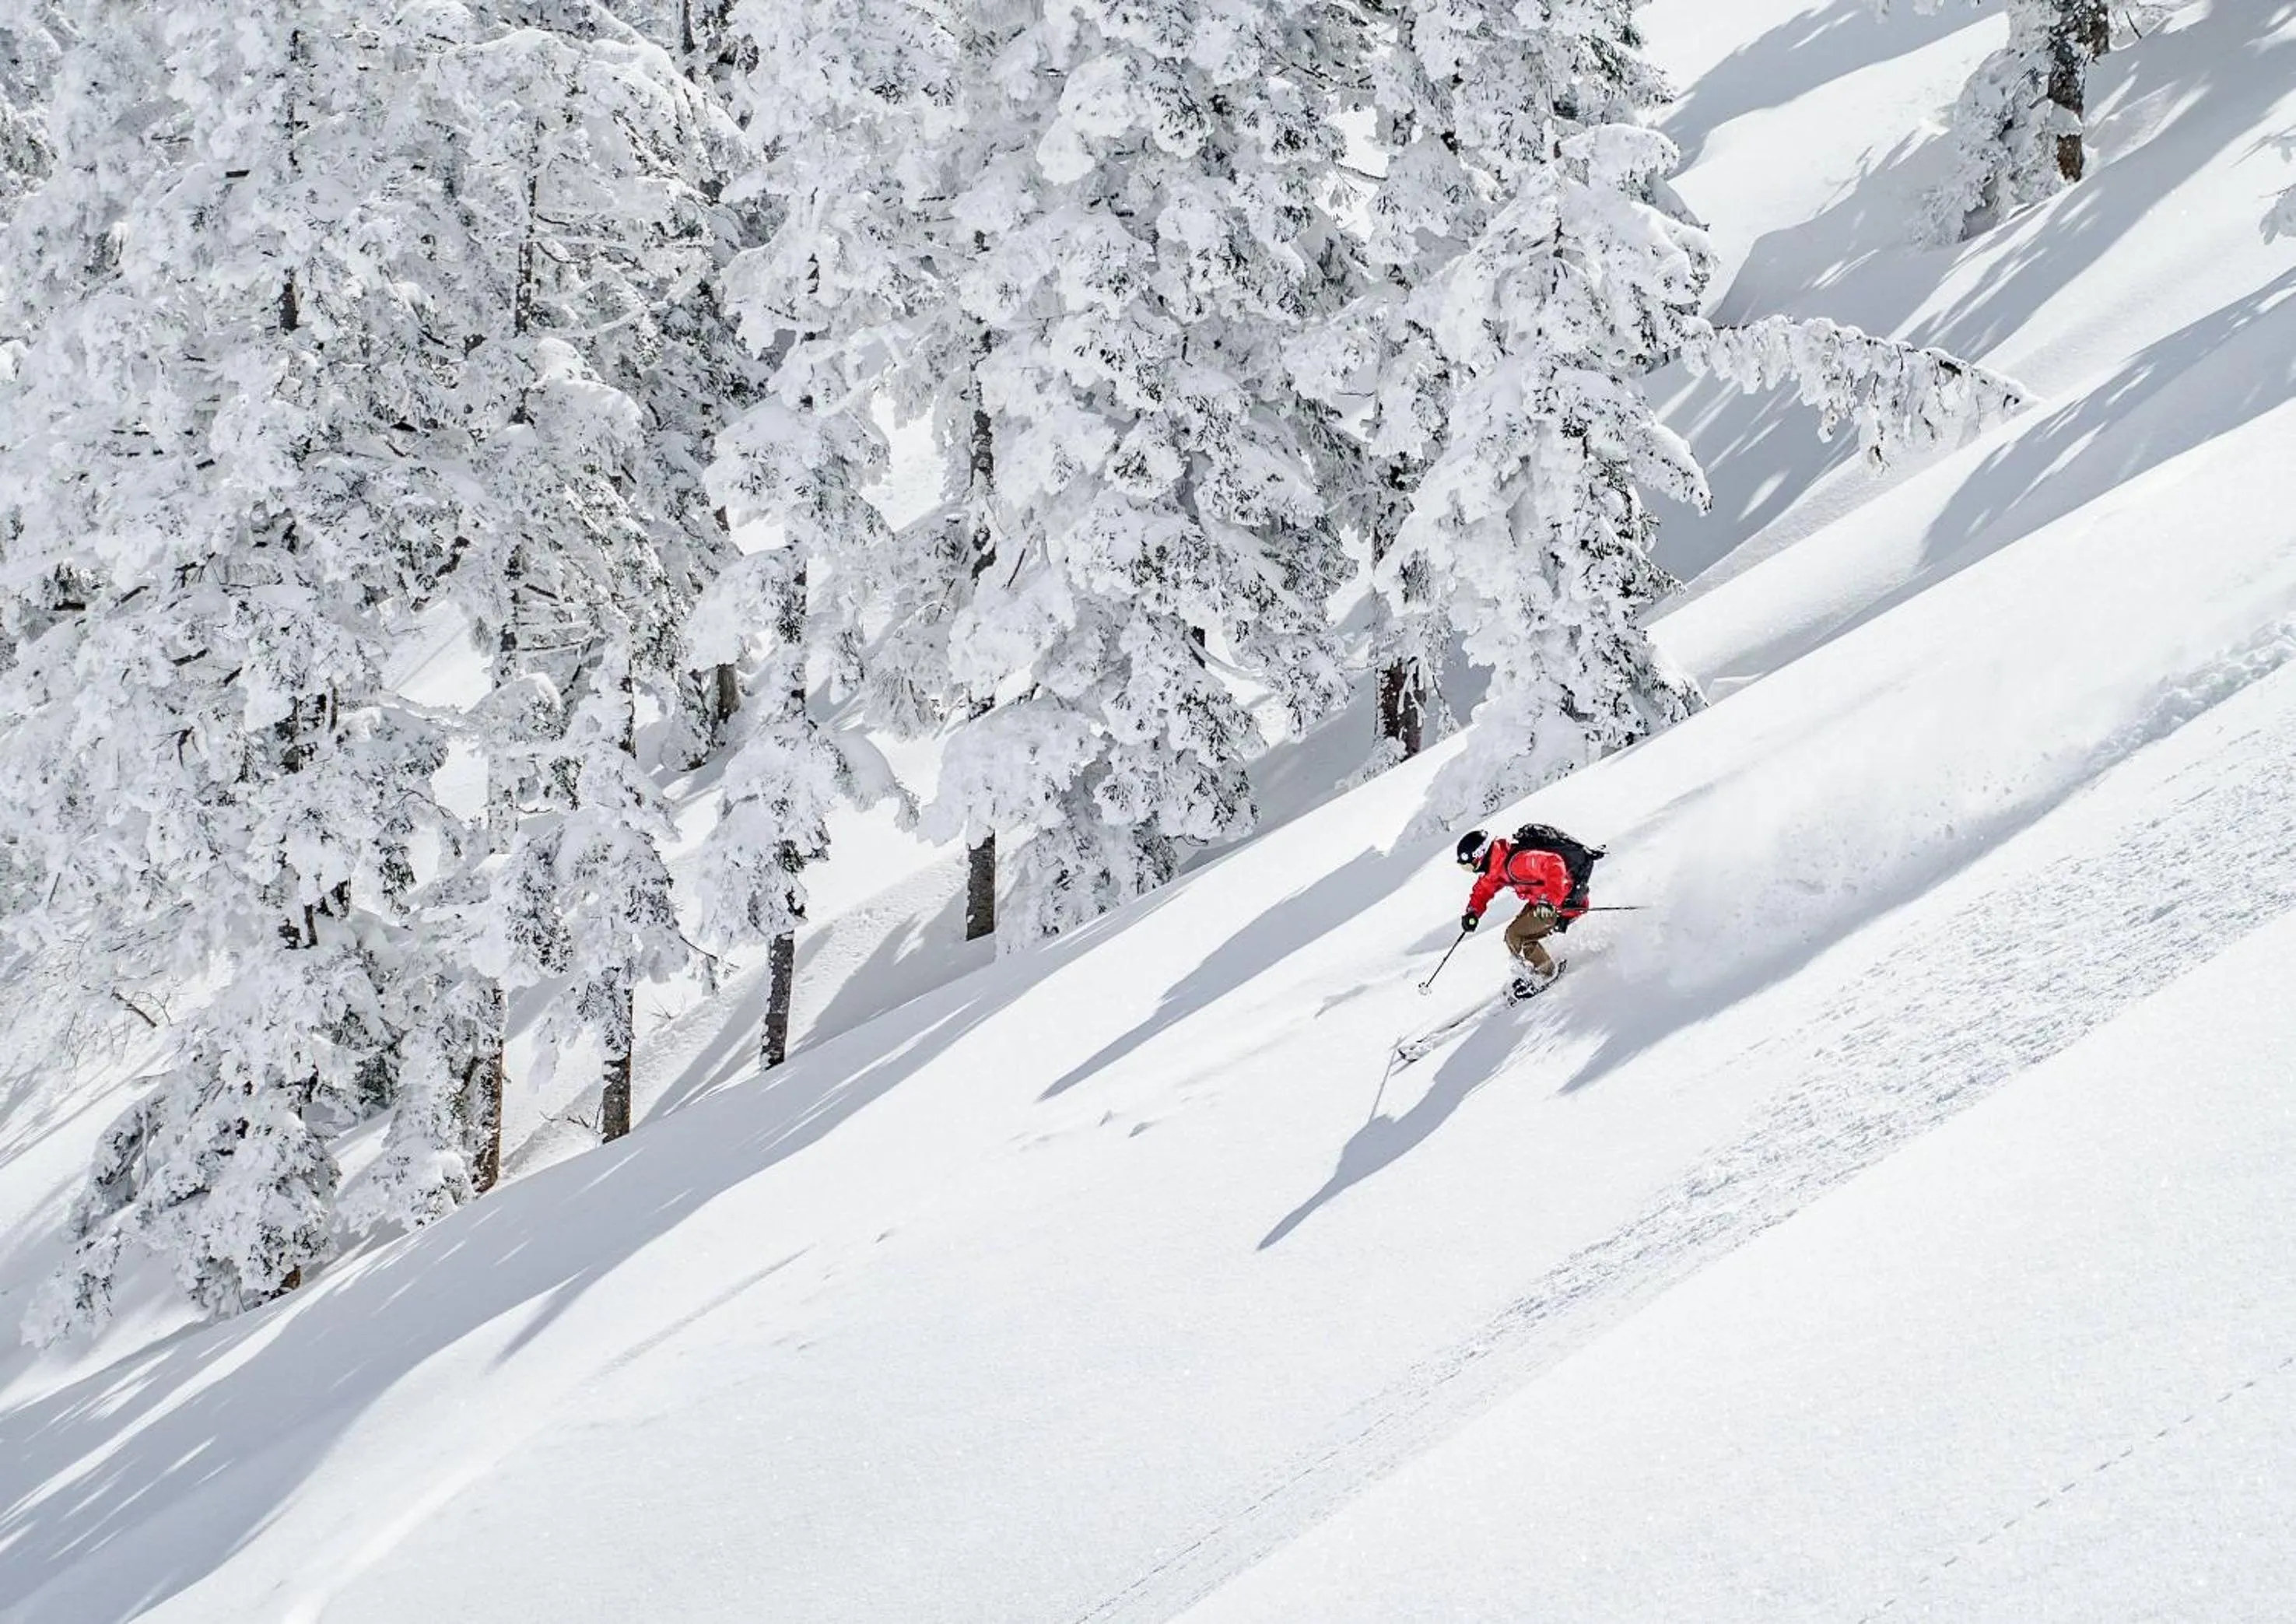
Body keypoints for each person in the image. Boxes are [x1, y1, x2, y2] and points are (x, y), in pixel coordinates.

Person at [1455, 827, 1592, 999]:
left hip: (1561, 904)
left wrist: (1549, 901)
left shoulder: (1518, 863)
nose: (1472, 870)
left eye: (1469, 866)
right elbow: (1483, 889)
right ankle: (1540, 969)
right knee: (1516, 937)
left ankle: (1546, 973)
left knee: (1515, 935)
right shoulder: (1498, 866)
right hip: (1542, 904)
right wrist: (1473, 912)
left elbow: (1554, 863)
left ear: (1480, 855)